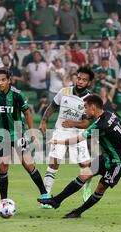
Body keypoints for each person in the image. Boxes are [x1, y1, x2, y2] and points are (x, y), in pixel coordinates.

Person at [38, 94, 121, 218]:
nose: (84, 110)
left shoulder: (100, 125)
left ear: (93, 107)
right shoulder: (110, 114)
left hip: (118, 162)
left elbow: (78, 139)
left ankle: (78, 212)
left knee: (100, 188)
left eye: (85, 107)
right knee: (83, 175)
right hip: (106, 157)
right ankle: (56, 201)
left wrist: (58, 141)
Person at [0, 67, 49, 205]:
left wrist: (32, 132)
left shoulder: (17, 95)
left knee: (28, 165)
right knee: (3, 166)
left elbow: (27, 113)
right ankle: (3, 201)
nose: (0, 82)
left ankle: (45, 195)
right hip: (1, 136)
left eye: (3, 80)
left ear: (9, 81)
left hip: (18, 134)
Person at [39, 66, 95, 205]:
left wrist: (73, 124)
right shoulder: (64, 91)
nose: (80, 81)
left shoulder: (90, 99)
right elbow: (52, 106)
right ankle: (46, 197)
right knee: (54, 163)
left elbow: (87, 123)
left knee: (85, 166)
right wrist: (44, 121)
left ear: (89, 83)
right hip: (60, 132)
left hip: (77, 135)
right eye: (79, 78)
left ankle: (87, 188)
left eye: (84, 80)